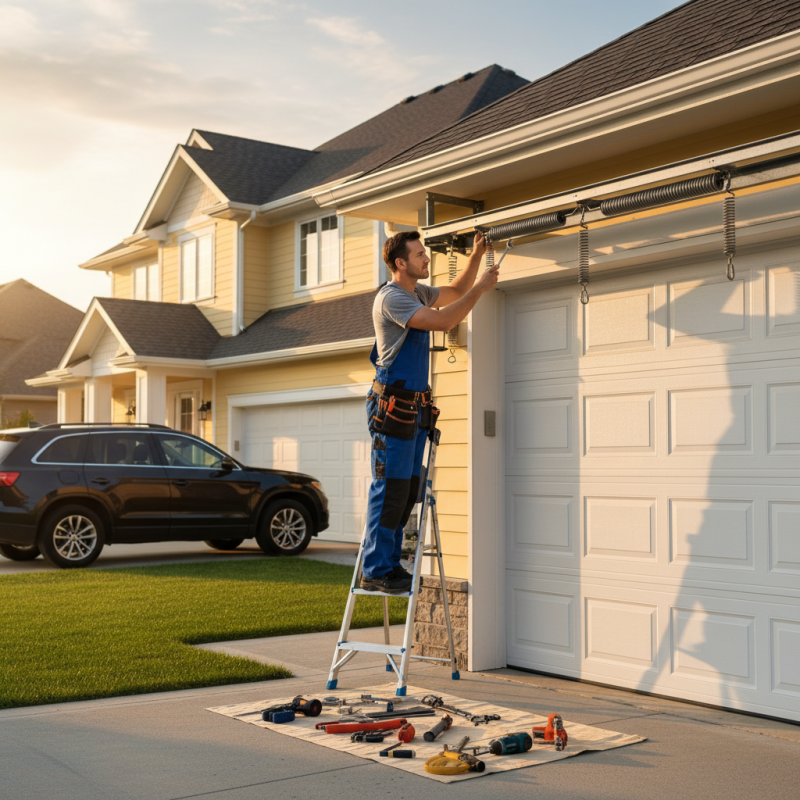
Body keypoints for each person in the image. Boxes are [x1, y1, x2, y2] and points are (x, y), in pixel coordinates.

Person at [361, 229, 499, 593]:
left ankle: (389, 564)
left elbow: (453, 292)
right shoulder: (392, 298)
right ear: (400, 263)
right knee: (389, 488)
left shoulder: (417, 292)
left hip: (412, 408)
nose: (426, 259)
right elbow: (442, 321)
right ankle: (375, 569)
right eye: (420, 254)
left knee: (407, 489)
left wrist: (475, 257)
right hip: (392, 408)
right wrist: (481, 290)